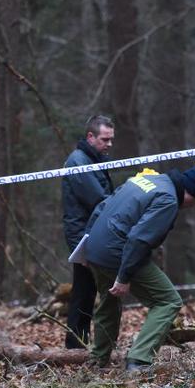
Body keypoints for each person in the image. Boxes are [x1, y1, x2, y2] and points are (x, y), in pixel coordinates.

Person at [84, 166, 195, 371]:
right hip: (117, 251)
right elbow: (139, 239)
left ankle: (97, 359)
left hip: (96, 246)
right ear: (192, 194)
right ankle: (139, 360)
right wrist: (124, 276)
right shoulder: (168, 199)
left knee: (109, 300)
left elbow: (102, 206)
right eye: (194, 203)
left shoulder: (147, 180)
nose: (190, 207)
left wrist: (86, 246)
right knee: (168, 301)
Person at [61, 115, 115, 348]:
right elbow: (98, 200)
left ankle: (79, 343)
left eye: (111, 140)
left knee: (88, 292)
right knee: (84, 293)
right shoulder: (78, 162)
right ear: (90, 137)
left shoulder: (92, 158)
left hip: (91, 234)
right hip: (85, 237)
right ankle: (75, 345)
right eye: (105, 139)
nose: (109, 144)